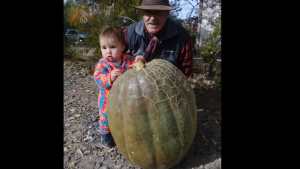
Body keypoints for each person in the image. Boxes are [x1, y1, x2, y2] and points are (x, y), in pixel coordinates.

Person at [124, 0, 193, 77]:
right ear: (142, 13)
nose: (153, 18)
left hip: (166, 86)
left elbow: (185, 74)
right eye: (148, 12)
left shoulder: (182, 38)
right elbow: (113, 61)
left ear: (167, 13)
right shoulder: (128, 33)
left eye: (158, 12)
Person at [93, 26, 135, 148]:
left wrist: (138, 64)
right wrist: (109, 77)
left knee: (124, 118)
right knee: (106, 119)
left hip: (125, 100)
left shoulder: (127, 60)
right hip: (108, 101)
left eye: (112, 47)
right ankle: (105, 136)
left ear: (122, 46)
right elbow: (97, 78)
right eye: (104, 48)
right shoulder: (103, 64)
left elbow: (135, 66)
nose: (108, 52)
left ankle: (121, 135)